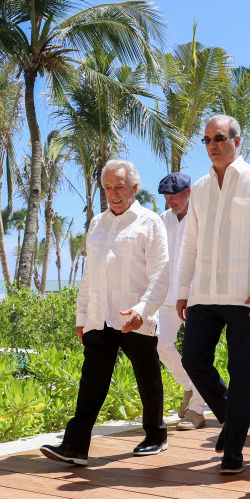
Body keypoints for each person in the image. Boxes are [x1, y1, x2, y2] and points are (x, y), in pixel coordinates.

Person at [175, 115, 250, 475]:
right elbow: (190, 243)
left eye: (220, 138)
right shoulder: (201, 188)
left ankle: (233, 451)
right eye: (207, 140)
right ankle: (232, 418)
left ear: (237, 141)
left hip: (245, 296)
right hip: (204, 293)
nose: (213, 145)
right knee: (193, 360)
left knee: (243, 373)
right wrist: (183, 290)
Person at [41, 160, 170, 466]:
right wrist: (82, 316)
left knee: (147, 376)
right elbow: (90, 273)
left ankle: (156, 435)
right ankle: (75, 446)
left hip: (134, 317)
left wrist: (142, 311)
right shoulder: (97, 223)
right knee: (91, 382)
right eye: (108, 187)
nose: (113, 193)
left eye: (119, 187)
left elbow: (161, 274)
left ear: (134, 188)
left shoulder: (150, 222)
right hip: (99, 316)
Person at [156, 172, 207, 430]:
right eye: (167, 198)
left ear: (189, 193)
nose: (171, 202)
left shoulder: (202, 218)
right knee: (162, 345)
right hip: (167, 296)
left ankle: (196, 410)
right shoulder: (161, 220)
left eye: (174, 197)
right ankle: (189, 386)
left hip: (196, 295)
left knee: (195, 353)